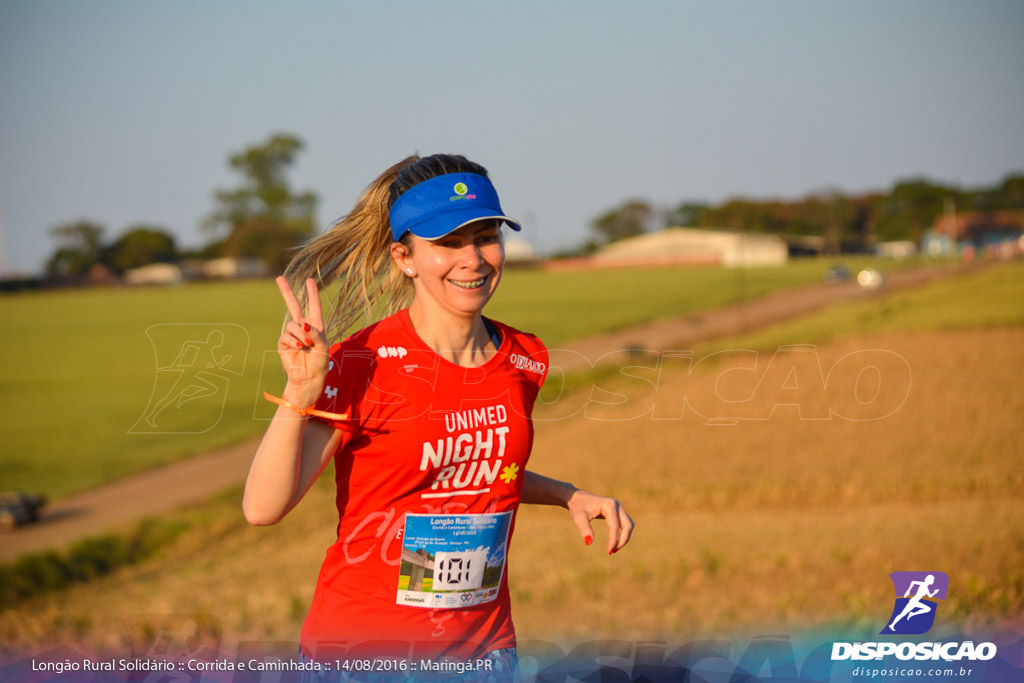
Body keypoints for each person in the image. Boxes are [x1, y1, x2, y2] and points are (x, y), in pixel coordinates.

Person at [242, 154, 634, 676]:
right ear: (404, 257)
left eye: (486, 235)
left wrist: (569, 494)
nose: (473, 258)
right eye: (448, 243)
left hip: (486, 653)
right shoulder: (362, 364)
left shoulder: (525, 357)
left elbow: (482, 471)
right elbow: (263, 508)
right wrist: (301, 389)